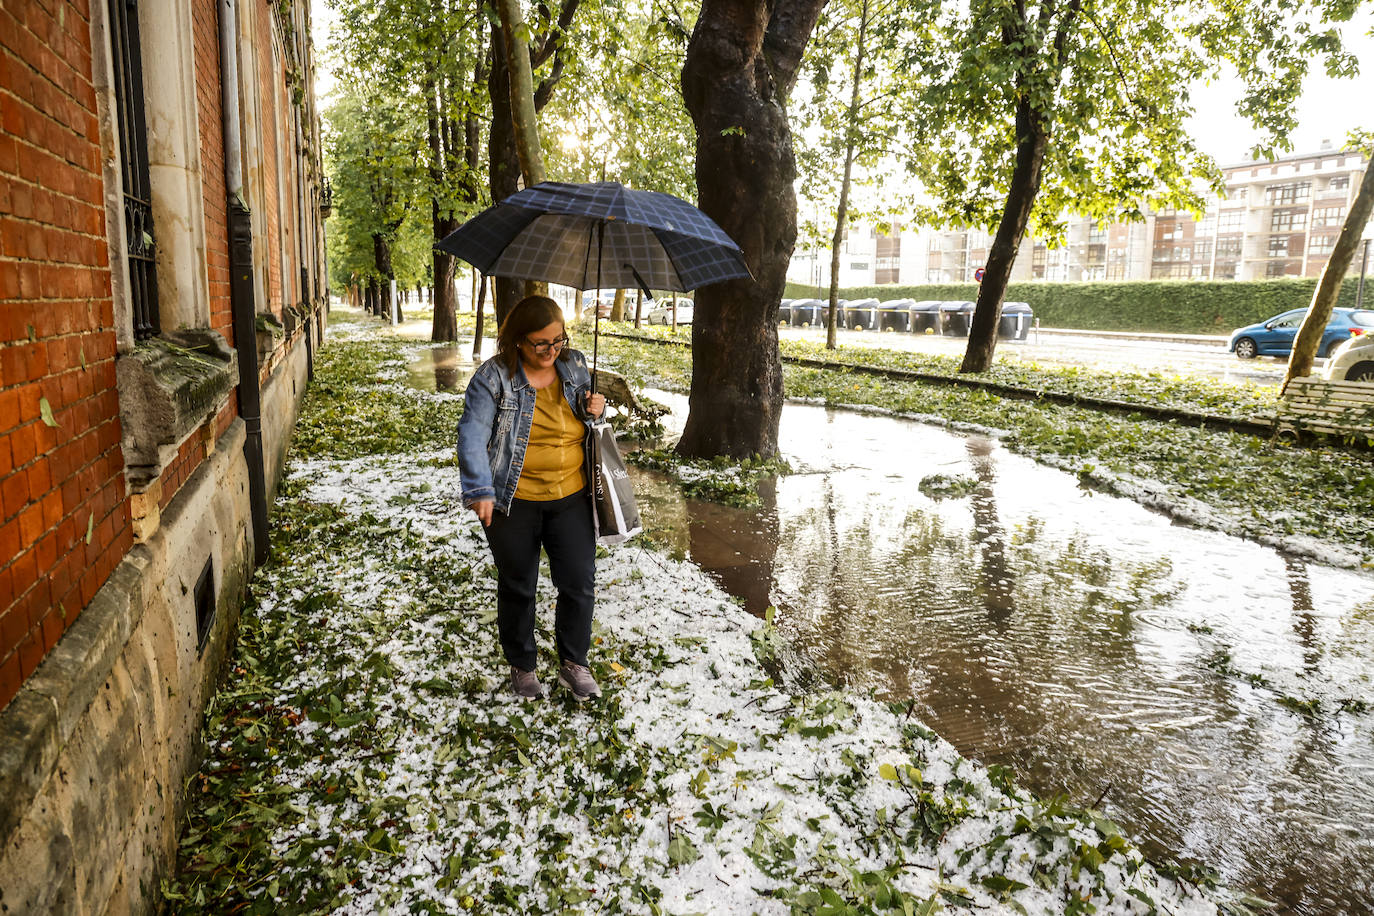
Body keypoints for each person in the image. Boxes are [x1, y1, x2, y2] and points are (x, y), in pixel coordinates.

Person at [457, 295, 607, 701]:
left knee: (579, 581)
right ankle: (522, 666)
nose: (551, 350)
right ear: (518, 341)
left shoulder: (573, 364)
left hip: (571, 495)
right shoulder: (494, 377)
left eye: (558, 340)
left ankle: (574, 664)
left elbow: (589, 418)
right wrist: (480, 489)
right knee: (519, 584)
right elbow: (472, 433)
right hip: (513, 499)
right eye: (541, 343)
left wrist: (597, 408)